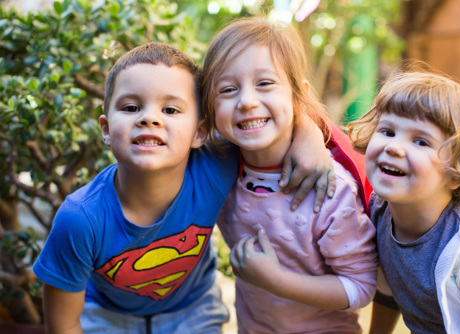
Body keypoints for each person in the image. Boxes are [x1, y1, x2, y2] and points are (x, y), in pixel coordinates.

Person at [33, 42, 337, 334]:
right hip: (107, 316)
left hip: (193, 309)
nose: (149, 118)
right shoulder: (80, 219)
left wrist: (310, 132)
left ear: (200, 131)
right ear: (106, 129)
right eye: (130, 107)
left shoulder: (216, 164)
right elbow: (63, 325)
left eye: (170, 110)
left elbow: (268, 119)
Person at [202, 18, 378, 333]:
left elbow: (360, 287)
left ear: (298, 97)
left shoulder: (330, 188)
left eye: (265, 83)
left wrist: (275, 280)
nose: (246, 101)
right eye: (228, 89)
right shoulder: (217, 168)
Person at [347, 62, 460, 334]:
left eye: (421, 141)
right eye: (388, 131)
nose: (394, 147)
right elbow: (389, 289)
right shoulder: (379, 214)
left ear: (457, 171)